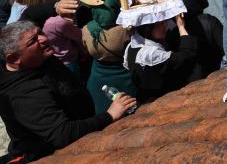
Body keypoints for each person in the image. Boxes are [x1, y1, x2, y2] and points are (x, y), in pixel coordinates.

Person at [0, 21, 135, 161]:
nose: (44, 39)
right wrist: (109, 115)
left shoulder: (38, 58)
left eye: (39, 32)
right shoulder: (24, 94)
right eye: (33, 41)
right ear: (14, 58)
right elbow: (62, 134)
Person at [124, 13, 198, 104]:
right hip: (160, 101)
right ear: (148, 28)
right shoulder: (150, 54)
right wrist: (181, 27)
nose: (165, 26)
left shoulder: (133, 45)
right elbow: (187, 55)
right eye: (160, 24)